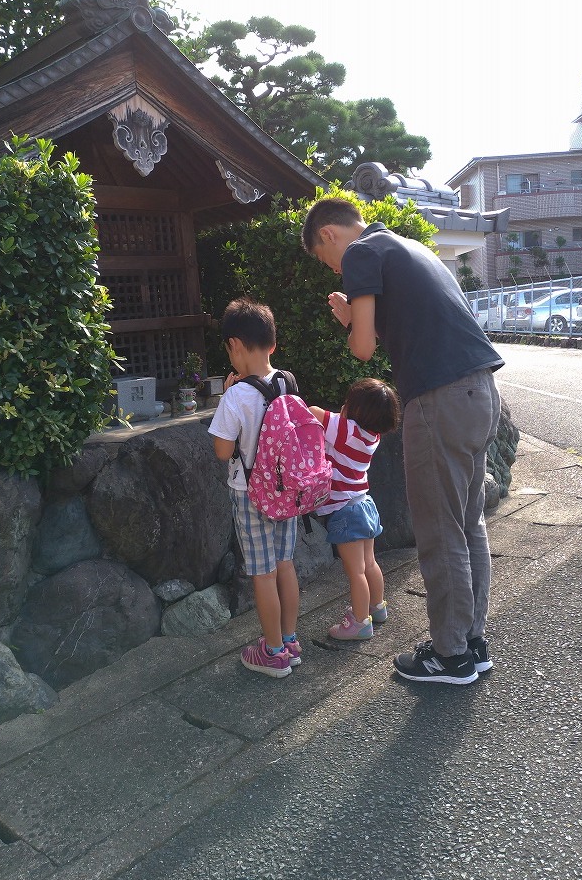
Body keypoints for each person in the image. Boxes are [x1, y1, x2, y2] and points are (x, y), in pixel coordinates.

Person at [302, 196, 504, 686]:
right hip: (480, 390)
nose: (334, 270)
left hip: (439, 398)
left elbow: (364, 349)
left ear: (329, 235)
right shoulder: (410, 246)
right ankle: (469, 641)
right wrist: (359, 316)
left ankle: (450, 654)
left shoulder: (359, 253)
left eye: (324, 259)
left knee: (440, 529)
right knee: (467, 522)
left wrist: (350, 320)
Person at [208, 298, 301, 679]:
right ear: (272, 344)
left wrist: (225, 397)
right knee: (285, 565)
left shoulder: (235, 395)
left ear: (234, 345)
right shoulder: (287, 380)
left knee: (262, 574)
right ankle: (291, 640)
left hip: (251, 496)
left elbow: (222, 450)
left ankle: (273, 652)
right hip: (287, 491)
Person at [309, 378, 400, 640]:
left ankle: (360, 623)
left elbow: (314, 413)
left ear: (355, 411)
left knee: (355, 571)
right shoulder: (373, 436)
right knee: (370, 563)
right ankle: (377, 607)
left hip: (345, 512)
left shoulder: (345, 430)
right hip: (364, 504)